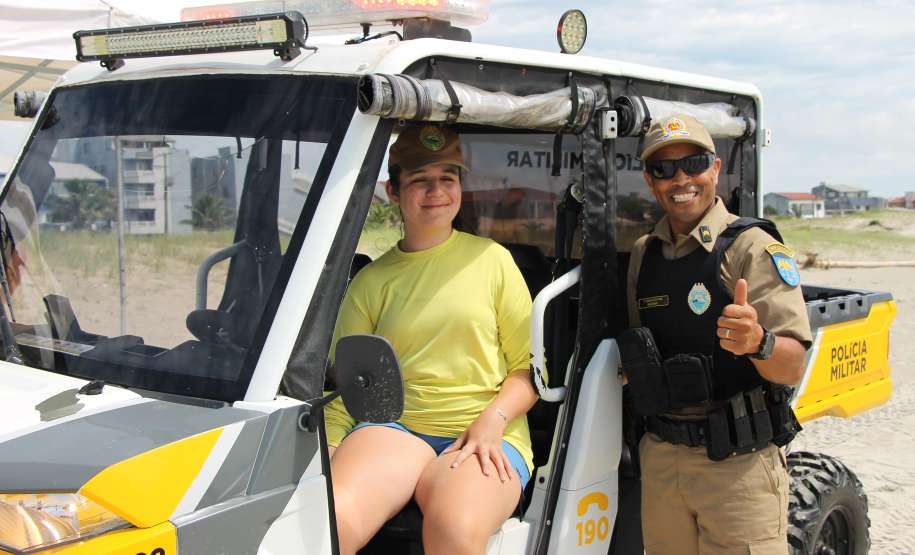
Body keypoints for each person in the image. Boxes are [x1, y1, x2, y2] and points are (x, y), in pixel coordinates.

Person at [324, 125, 540, 555]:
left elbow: (530, 371)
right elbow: (346, 388)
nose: (436, 190)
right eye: (420, 179)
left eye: (448, 177)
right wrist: (327, 455)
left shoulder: (494, 261)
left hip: (484, 431)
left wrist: (492, 419)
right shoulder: (370, 283)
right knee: (329, 524)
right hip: (394, 428)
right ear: (392, 190)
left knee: (454, 532)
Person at [626, 114, 812, 554]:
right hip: (663, 460)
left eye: (693, 163)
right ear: (651, 182)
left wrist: (758, 342)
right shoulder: (643, 255)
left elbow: (792, 365)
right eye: (664, 169)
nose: (680, 179)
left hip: (738, 466)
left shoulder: (752, 247)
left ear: (715, 169)